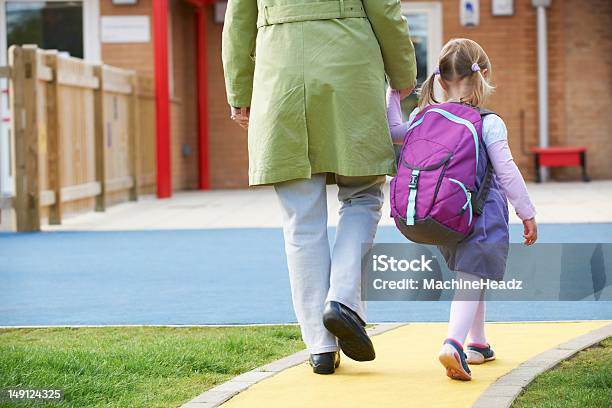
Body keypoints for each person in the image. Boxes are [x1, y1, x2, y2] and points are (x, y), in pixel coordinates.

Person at [222, 0, 417, 374]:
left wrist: (239, 90)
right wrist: (403, 71)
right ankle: (343, 299)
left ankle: (321, 346)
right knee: (362, 195)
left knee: (300, 217)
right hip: (348, 68)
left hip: (280, 73)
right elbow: (385, 9)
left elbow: (238, 22)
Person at [386, 38, 537, 381]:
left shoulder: (423, 115)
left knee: (472, 274)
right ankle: (453, 342)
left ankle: (478, 344)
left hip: (446, 213)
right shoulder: (488, 122)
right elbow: (507, 170)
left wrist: (393, 95)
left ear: (439, 81)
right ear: (483, 75)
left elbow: (395, 132)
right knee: (472, 277)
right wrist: (526, 212)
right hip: (483, 214)